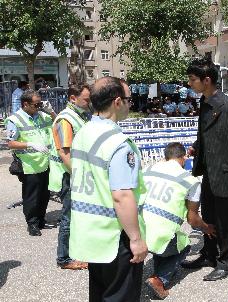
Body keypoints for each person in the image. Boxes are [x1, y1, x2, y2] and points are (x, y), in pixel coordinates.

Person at [69, 77, 148, 301]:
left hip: (91, 232)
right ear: (117, 102)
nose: (130, 104)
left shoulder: (84, 131)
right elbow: (122, 196)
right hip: (116, 236)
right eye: (128, 99)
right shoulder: (119, 143)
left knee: (100, 292)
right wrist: (135, 239)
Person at [181, 58, 228, 281]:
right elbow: (207, 134)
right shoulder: (204, 104)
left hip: (227, 175)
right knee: (210, 217)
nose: (190, 83)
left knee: (227, 222)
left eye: (193, 79)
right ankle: (209, 254)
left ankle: (227, 262)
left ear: (207, 80)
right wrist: (197, 146)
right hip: (209, 174)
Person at [140, 142, 216, 299]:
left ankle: (156, 271)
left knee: (165, 238)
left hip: (136, 231)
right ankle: (159, 280)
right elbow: (193, 220)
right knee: (183, 244)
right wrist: (206, 228)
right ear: (184, 158)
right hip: (158, 236)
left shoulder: (147, 170)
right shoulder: (190, 180)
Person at [48, 84, 92, 270]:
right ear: (73, 98)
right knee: (68, 218)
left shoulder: (79, 116)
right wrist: (79, 176)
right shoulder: (65, 119)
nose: (89, 102)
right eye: (86, 99)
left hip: (77, 175)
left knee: (77, 217)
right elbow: (64, 153)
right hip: (70, 177)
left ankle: (77, 252)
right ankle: (64, 258)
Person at [5, 90, 57, 236]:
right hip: (29, 165)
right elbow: (10, 143)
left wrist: (51, 111)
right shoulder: (14, 120)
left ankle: (41, 219)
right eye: (36, 104)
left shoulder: (41, 115)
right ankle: (32, 223)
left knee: (44, 194)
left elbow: (58, 123)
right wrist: (29, 144)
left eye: (40, 103)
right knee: (32, 196)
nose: (39, 106)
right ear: (25, 104)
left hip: (45, 162)